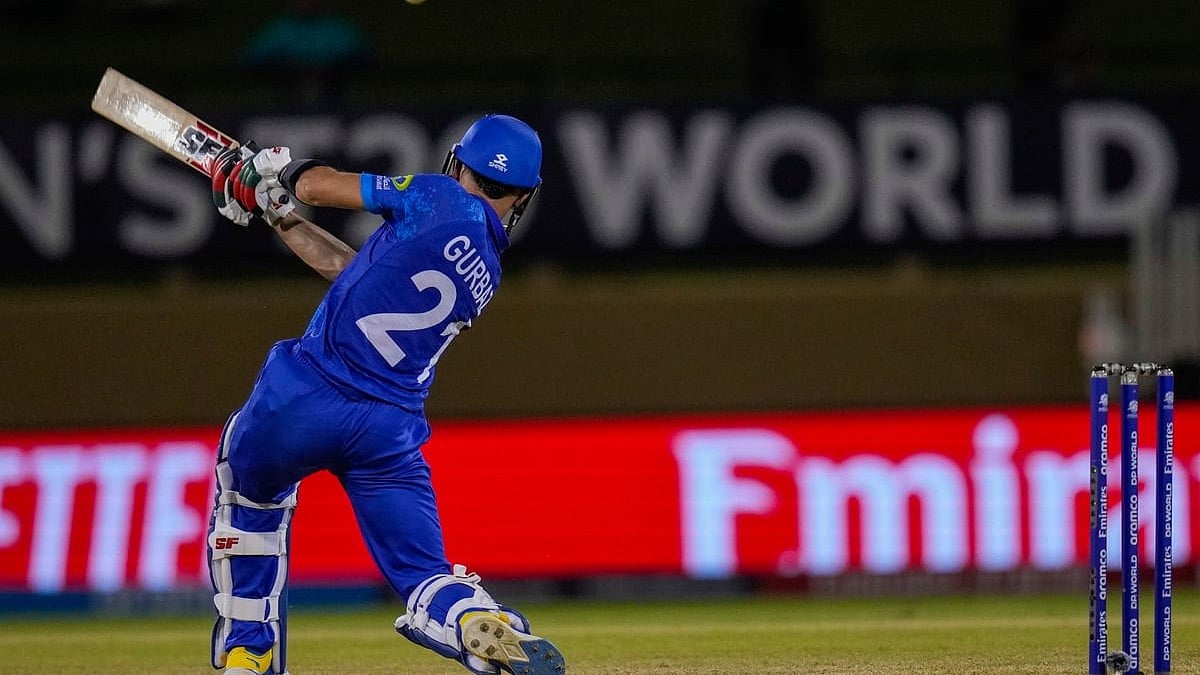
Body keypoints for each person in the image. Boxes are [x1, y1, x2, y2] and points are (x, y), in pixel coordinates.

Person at [204, 114, 564, 675]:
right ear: (524, 195)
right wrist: (277, 214)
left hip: (308, 395)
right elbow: (353, 272)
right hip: (386, 430)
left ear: (458, 164)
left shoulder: (438, 195)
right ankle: (471, 619)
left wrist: (272, 170)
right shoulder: (487, 270)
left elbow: (319, 184)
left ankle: (248, 650)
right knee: (423, 573)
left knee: (248, 497)